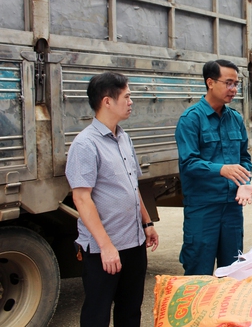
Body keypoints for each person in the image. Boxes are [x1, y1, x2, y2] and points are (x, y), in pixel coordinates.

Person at [65, 72, 159, 327]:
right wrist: (106, 247)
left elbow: (132, 185)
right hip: (103, 249)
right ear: (107, 101)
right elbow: (81, 199)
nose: (131, 102)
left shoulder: (124, 137)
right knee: (97, 313)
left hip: (134, 243)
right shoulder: (85, 144)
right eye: (127, 97)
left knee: (130, 312)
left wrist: (147, 223)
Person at [175, 59, 252, 275]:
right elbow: (188, 163)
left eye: (236, 84)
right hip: (203, 209)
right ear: (210, 82)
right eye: (229, 83)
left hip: (232, 208)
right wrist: (221, 169)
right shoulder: (191, 119)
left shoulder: (235, 119)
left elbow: (244, 158)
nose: (233, 89)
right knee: (198, 271)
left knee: (232, 271)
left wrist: (244, 183)